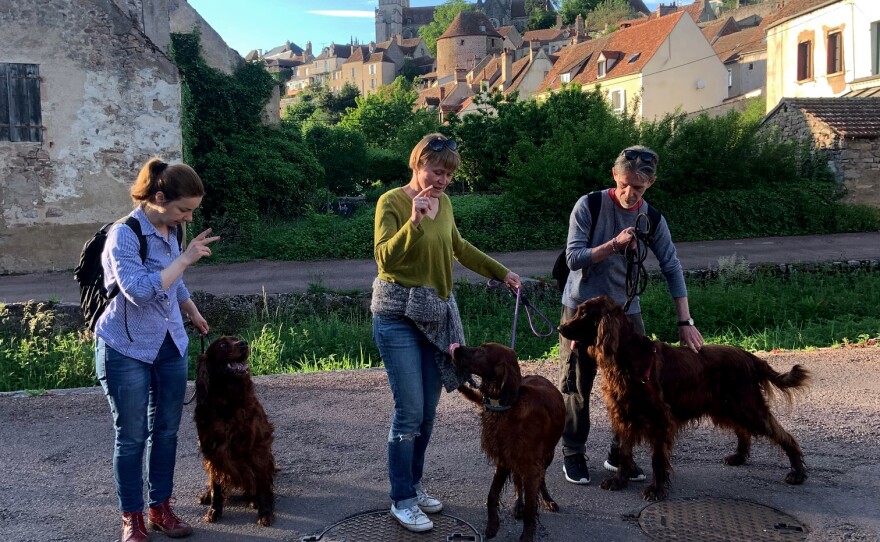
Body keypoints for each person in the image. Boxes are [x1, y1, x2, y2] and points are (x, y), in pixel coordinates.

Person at [370, 133, 521, 533]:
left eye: (449, 174)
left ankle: (413, 485)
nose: (443, 180)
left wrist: (501, 272)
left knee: (429, 413)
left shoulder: (446, 202)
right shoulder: (392, 202)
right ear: (418, 164)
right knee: (410, 412)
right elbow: (385, 256)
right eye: (437, 171)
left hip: (434, 316)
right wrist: (415, 221)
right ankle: (401, 499)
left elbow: (459, 246)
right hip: (397, 317)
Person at [558, 144, 704, 486]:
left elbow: (672, 267)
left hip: (626, 313)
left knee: (633, 386)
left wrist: (685, 322)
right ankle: (573, 453)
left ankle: (618, 453)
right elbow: (573, 258)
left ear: (649, 185)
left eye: (637, 188)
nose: (628, 193)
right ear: (614, 175)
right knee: (577, 384)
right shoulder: (589, 205)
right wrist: (613, 245)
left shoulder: (652, 219)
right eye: (623, 184)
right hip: (583, 308)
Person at [95, 157, 220, 542]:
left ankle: (160, 507)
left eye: (192, 212)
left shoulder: (172, 231)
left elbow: (174, 283)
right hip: (126, 347)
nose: (187, 219)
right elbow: (140, 292)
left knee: (165, 432)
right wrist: (184, 259)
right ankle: (131, 516)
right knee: (132, 436)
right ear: (160, 197)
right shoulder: (125, 234)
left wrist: (193, 313)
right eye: (183, 210)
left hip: (169, 344)